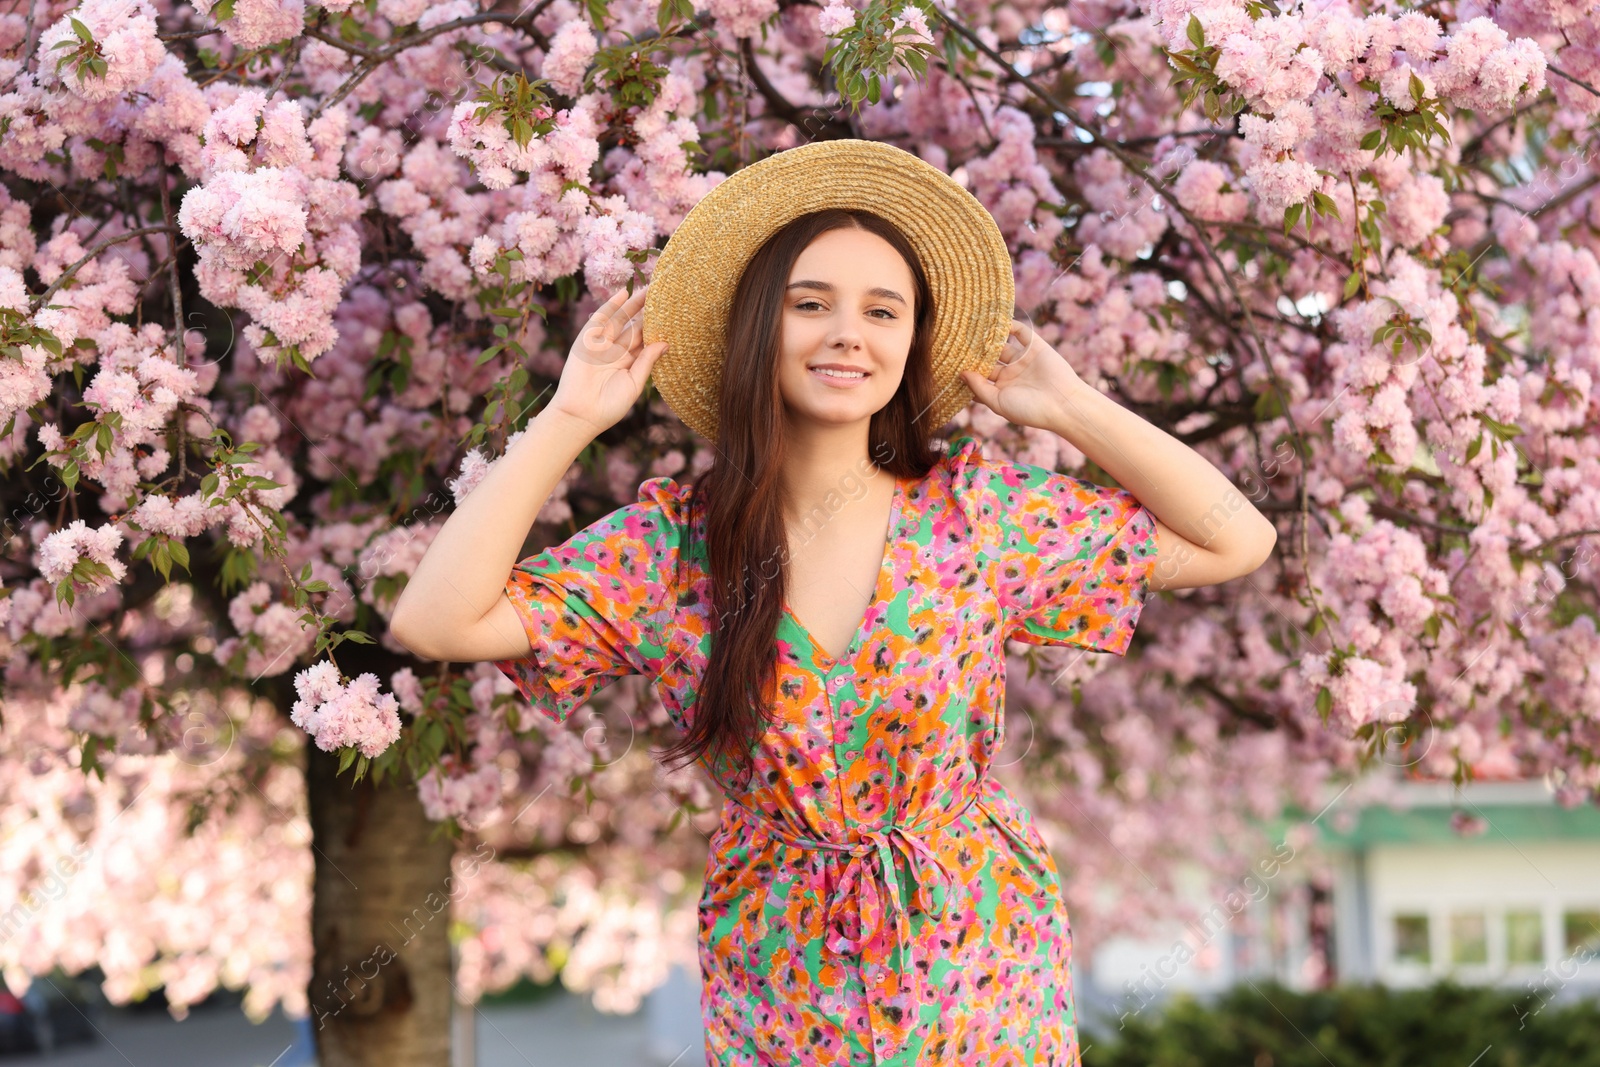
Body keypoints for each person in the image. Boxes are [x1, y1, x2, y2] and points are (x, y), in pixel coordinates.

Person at [392, 140, 1277, 1066]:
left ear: (910, 342)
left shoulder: (977, 514)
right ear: (758, 330)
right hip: (782, 974)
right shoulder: (669, 549)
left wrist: (1072, 408)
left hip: (981, 964)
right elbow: (435, 620)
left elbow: (1235, 537)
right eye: (810, 304)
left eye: (882, 311)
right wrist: (566, 420)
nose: (848, 334)